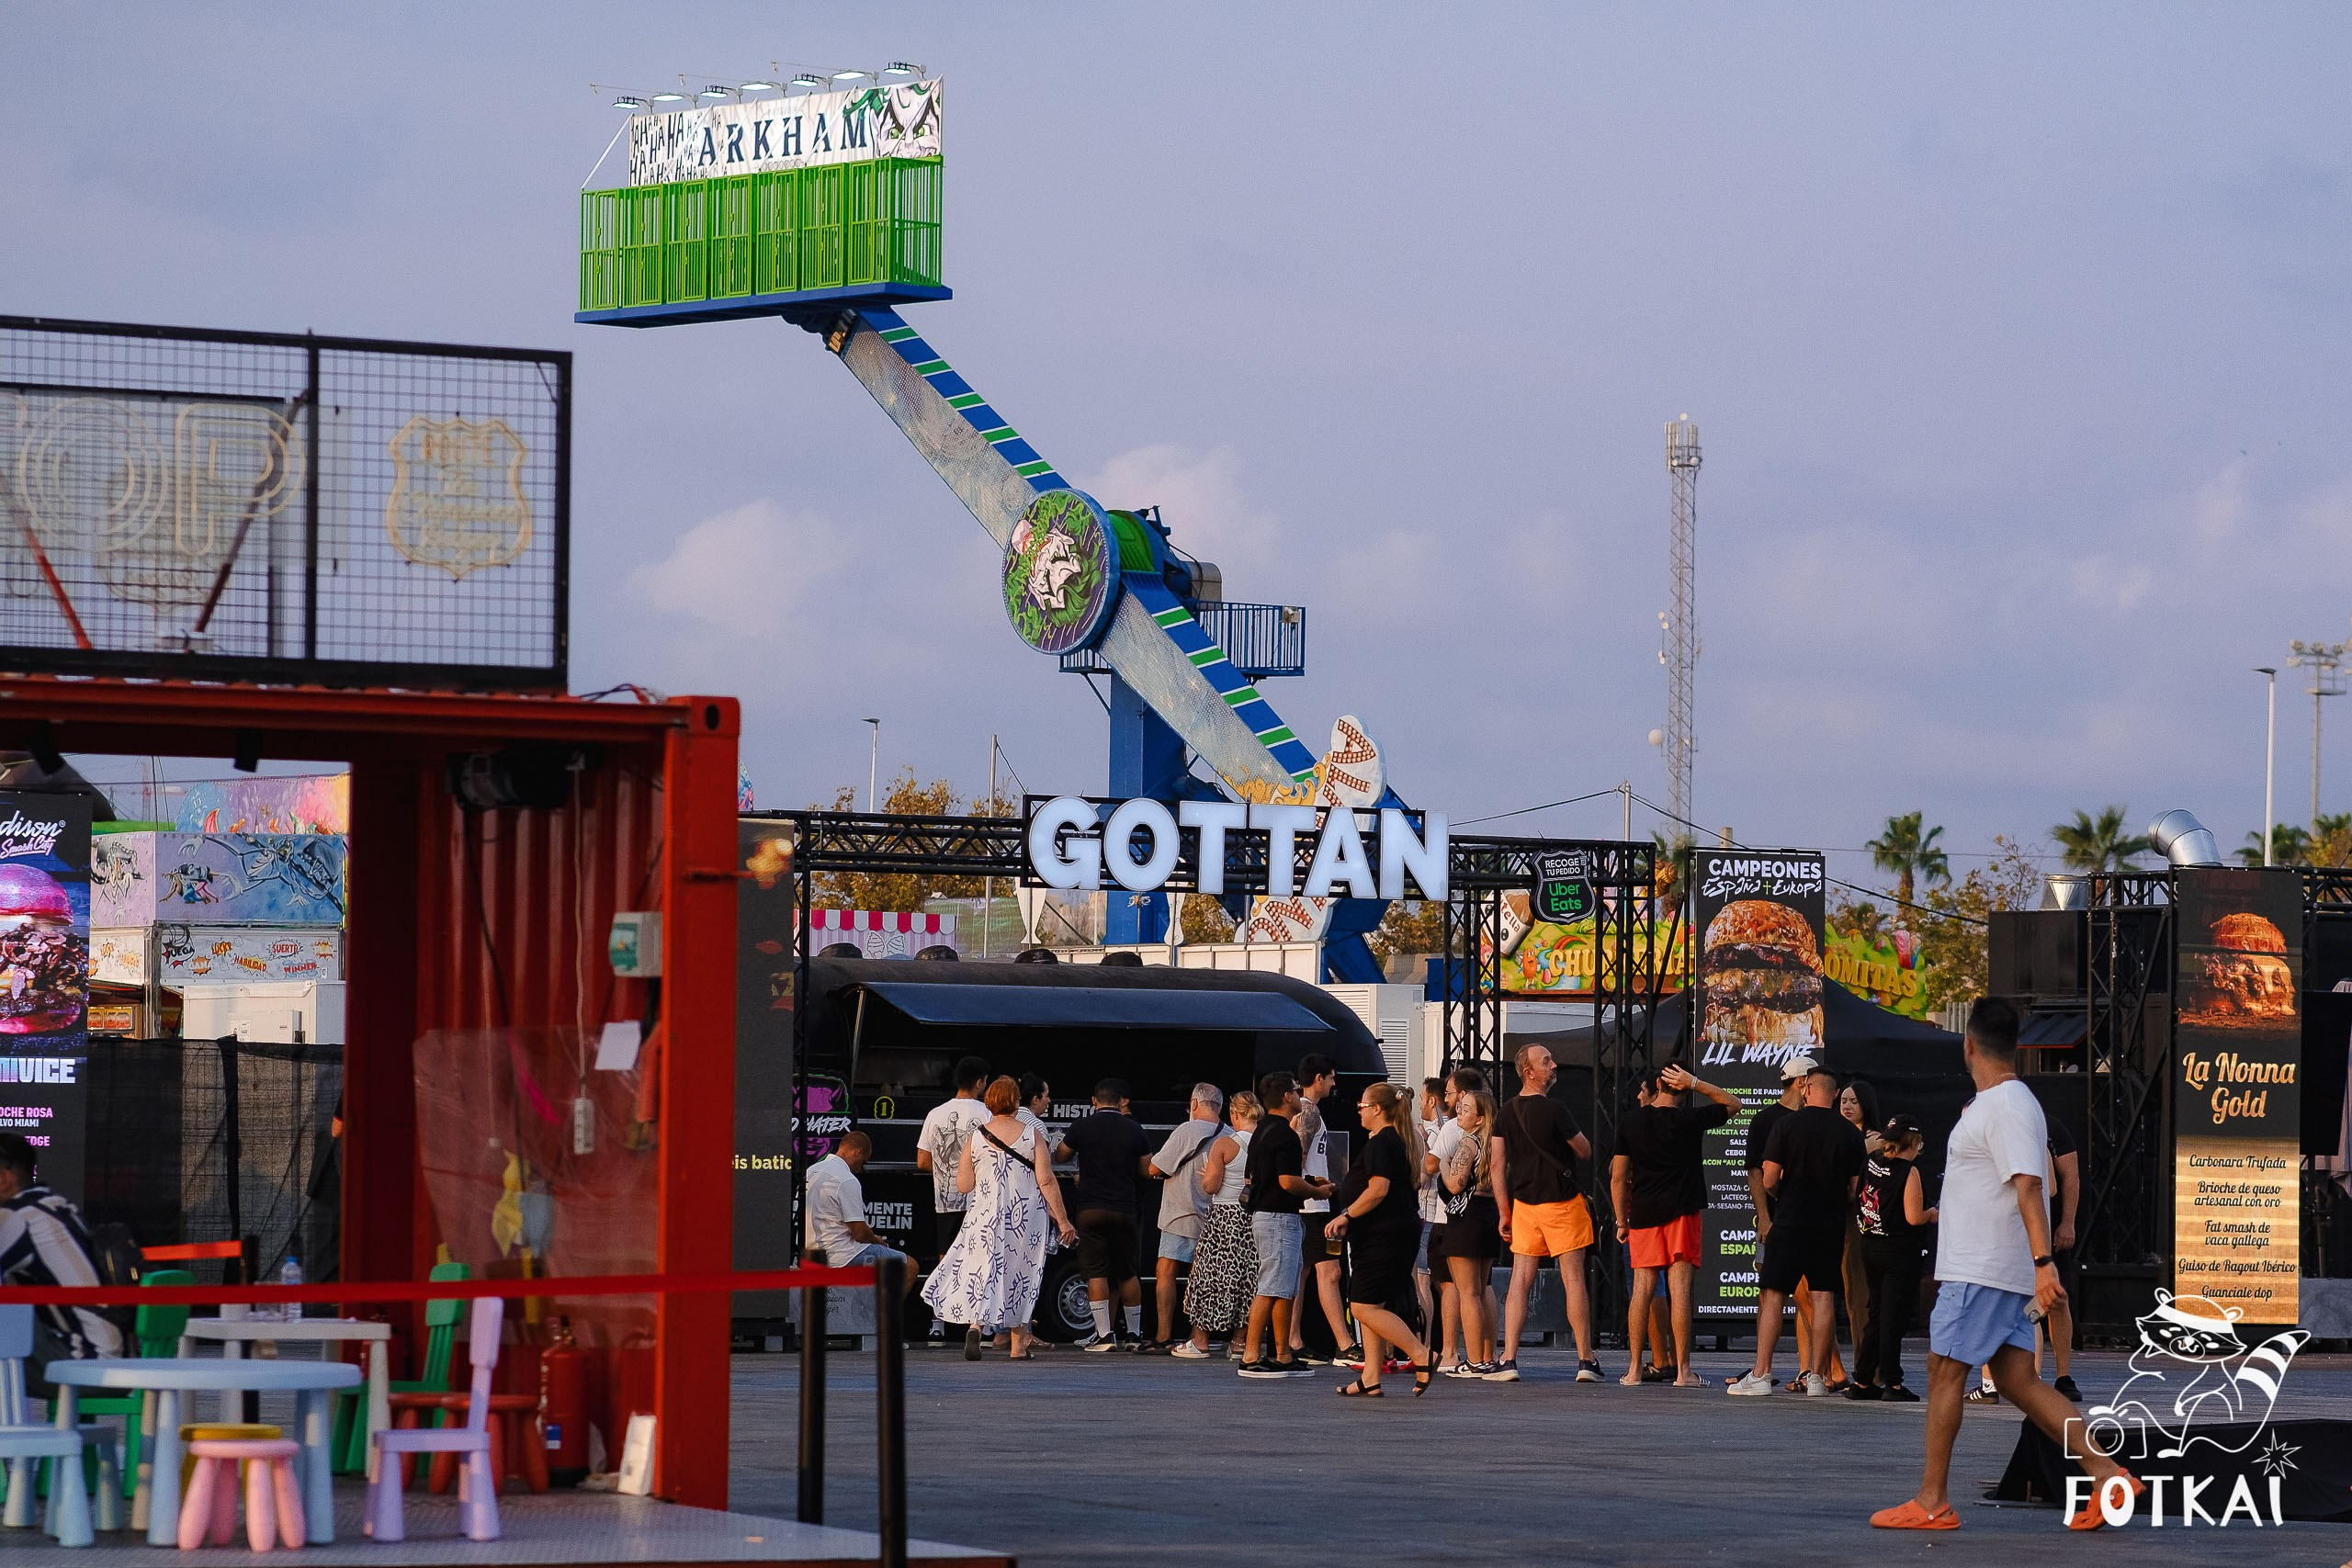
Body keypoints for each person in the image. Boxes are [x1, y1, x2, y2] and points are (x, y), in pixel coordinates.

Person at [1871, 998, 2136, 1531]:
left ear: (1968, 1044)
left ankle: (1931, 1501)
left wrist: (2044, 1263)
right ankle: (2107, 1474)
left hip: (1983, 1270)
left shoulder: (2010, 1105)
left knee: (1945, 1370)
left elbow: (2031, 1184)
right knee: (2019, 1380)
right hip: (1992, 1267)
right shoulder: (1997, 1103)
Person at [922, 1077, 1080, 1359]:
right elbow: (1047, 1181)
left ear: (989, 1103)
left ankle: (976, 1325)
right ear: (1017, 1102)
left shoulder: (977, 1136)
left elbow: (964, 1185)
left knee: (984, 1270)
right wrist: (1063, 1220)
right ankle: (1018, 1347)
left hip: (984, 1216)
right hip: (1025, 1218)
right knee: (1023, 1275)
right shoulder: (1033, 1135)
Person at [1729, 1068, 1862, 1396]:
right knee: (1823, 1297)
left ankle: (1761, 1375)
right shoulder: (1849, 1133)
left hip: (1789, 1221)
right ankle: (1816, 1377)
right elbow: (1854, 1189)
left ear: (1806, 1089)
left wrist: (1782, 1197)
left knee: (1774, 1294)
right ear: (1833, 1095)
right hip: (1829, 1224)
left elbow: (1769, 1177)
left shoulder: (1785, 1125)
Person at [1611, 1064, 1737, 1388]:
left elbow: (1617, 1177)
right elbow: (1734, 1103)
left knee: (1642, 1288)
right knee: (1679, 1290)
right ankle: (1683, 1372)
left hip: (1643, 1214)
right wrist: (1695, 1083)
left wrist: (1620, 1220)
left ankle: (1634, 1369)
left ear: (1657, 1084)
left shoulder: (1631, 1121)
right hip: (1682, 1213)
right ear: (1681, 1087)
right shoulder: (1689, 1119)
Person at [1490, 1043, 1600, 1382]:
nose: (1554, 1066)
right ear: (1529, 1072)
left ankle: (1508, 1359)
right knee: (1574, 1280)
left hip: (1524, 1207)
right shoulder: (1556, 1110)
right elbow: (1584, 1150)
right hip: (1562, 1204)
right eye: (1546, 1062)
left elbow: (1497, 1164)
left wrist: (1503, 1211)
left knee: (1521, 1281)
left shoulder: (1506, 1111)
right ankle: (1585, 1360)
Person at [1324, 1082, 1434, 1396]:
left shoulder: (1383, 1143)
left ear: (1377, 1109)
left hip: (1383, 1235)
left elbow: (1378, 1189)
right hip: (1386, 1233)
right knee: (1373, 1303)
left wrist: (1347, 1215)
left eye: (1361, 1106)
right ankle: (1371, 1375)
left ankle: (1421, 1354)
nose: (1358, 1110)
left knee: (1361, 1307)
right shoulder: (1393, 1140)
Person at [0, 1134, 122, 1392]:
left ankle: (11, 1427)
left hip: (81, 1363)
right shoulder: (58, 1206)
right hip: (110, 1356)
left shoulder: (14, 1218)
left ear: (3, 1178)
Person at [1238, 1072, 1331, 1378]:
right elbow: (1286, 1181)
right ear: (1287, 1097)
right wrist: (1317, 1191)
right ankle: (1251, 1355)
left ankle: (1283, 1354)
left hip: (1268, 1215)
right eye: (1295, 1090)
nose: (1299, 1094)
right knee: (1270, 1287)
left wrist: (1307, 1182)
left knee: (1284, 1288)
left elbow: (1266, 1177)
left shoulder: (1264, 1130)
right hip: (1279, 1217)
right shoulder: (1286, 1135)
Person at [1056, 1078, 1152, 1349]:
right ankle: (1133, 1335)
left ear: (1094, 1101)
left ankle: (1104, 1335)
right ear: (1121, 1100)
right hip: (1125, 1208)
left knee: (1096, 1271)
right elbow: (1146, 1170)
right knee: (1127, 1272)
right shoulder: (1135, 1129)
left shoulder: (1082, 1126)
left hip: (1091, 1208)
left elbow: (1061, 1155)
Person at [1849, 1114, 1936, 1401]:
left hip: (1870, 1242)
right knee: (1892, 1318)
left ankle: (1862, 1379)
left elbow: (1859, 1192)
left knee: (1876, 1312)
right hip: (1898, 1250)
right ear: (1915, 1142)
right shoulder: (1908, 1172)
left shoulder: (1873, 1159)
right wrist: (1932, 1214)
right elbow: (1913, 1217)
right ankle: (1893, 1382)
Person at [1179, 1091, 1261, 1360]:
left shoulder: (1225, 1144)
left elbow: (1211, 1186)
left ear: (1234, 1115)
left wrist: (1207, 1175)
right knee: (1249, 1278)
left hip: (1224, 1217)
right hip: (1253, 1218)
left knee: (1209, 1275)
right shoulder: (1266, 1143)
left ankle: (1200, 1340)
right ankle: (1239, 1342)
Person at [915, 1055, 991, 1346]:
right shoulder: (987, 1114)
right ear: (980, 1082)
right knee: (980, 1259)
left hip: (944, 1201)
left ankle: (938, 1324)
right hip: (980, 1202)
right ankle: (979, 1325)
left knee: (944, 1260)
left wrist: (946, 1167)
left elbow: (922, 1160)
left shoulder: (935, 1114)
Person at [1145, 1084, 1225, 1351]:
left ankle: (1163, 1336)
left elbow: (1155, 1167)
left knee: (1166, 1271)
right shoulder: (1230, 1134)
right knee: (1201, 1277)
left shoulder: (1186, 1130)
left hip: (1179, 1214)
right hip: (1214, 1218)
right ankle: (1197, 1336)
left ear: (1194, 1104)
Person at [1432, 1089, 1501, 1378]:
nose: (1459, 1112)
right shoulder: (1495, 1145)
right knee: (1483, 1288)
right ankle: (1486, 1356)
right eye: (1459, 1107)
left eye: (1466, 1109)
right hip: (1488, 1217)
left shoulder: (1467, 1144)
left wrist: (1444, 1164)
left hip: (1466, 1218)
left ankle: (1473, 1360)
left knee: (1468, 1293)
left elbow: (1456, 1184)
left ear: (1481, 1118)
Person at [1291, 1053, 1354, 1363]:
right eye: (1331, 1077)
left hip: (1313, 1202)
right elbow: (1299, 1158)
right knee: (1331, 1271)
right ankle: (1343, 1344)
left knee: (1301, 1273)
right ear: (1318, 1079)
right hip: (1313, 1206)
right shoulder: (1308, 1112)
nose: (1333, 1083)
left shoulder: (1309, 1112)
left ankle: (1293, 1339)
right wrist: (1315, 1186)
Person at [803, 1132, 915, 1294]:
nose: (861, 1169)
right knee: (909, 1266)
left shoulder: (811, 1170)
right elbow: (860, 1233)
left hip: (811, 1254)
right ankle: (882, 1319)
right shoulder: (846, 1179)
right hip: (840, 1257)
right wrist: (876, 1240)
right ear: (858, 1152)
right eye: (863, 1162)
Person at [1836, 1077, 1883, 1385]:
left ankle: (1870, 1369)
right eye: (1844, 1101)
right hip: (1835, 1219)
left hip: (1866, 1224)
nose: (1848, 1106)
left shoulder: (1878, 1140)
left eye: (1854, 1101)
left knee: (1863, 1296)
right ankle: (1831, 1369)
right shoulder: (1835, 1135)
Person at [1413, 1077, 1448, 1337]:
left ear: (1433, 1101)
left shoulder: (1436, 1133)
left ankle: (1425, 1345)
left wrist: (1422, 1142)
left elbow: (1426, 1172)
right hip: (1442, 1214)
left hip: (1429, 1212)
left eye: (1423, 1100)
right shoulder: (1451, 1128)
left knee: (1423, 1279)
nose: (1421, 1106)